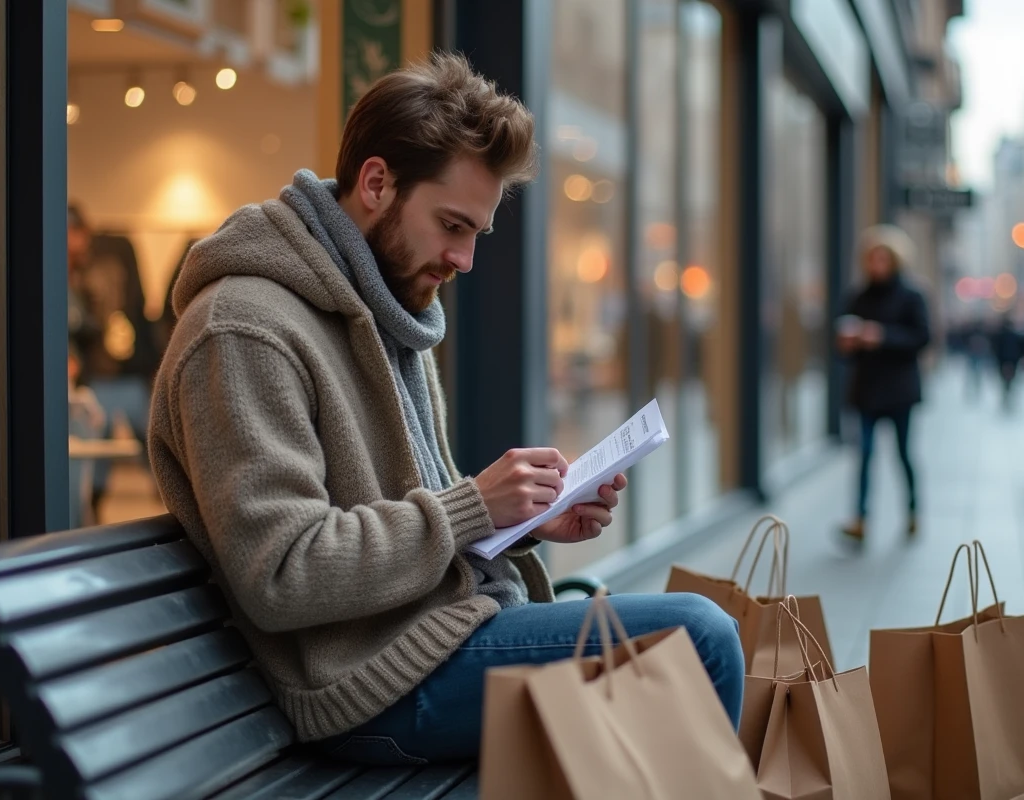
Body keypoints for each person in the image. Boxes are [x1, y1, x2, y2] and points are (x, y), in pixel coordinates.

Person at [147, 54, 743, 766]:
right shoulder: (242, 330)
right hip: (373, 684)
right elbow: (281, 574)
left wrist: (521, 522)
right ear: (376, 183)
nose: (463, 260)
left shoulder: (390, 309)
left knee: (672, 640)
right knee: (693, 638)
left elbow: (412, 518)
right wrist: (471, 508)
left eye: (476, 235)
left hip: (447, 633)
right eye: (451, 225)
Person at [836, 225, 930, 543]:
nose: (876, 265)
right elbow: (843, 339)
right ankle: (860, 518)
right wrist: (849, 342)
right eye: (872, 259)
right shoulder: (858, 296)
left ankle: (913, 512)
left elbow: (922, 337)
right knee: (863, 454)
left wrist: (883, 336)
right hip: (865, 390)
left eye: (882, 259)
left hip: (899, 389)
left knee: (903, 454)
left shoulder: (912, 296)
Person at [991, 313, 1024, 410]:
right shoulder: (1015, 335)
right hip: (1012, 362)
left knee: (1005, 382)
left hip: (1003, 362)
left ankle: (1007, 397)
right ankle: (1009, 396)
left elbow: (996, 350)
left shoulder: (1000, 336)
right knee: (1011, 381)